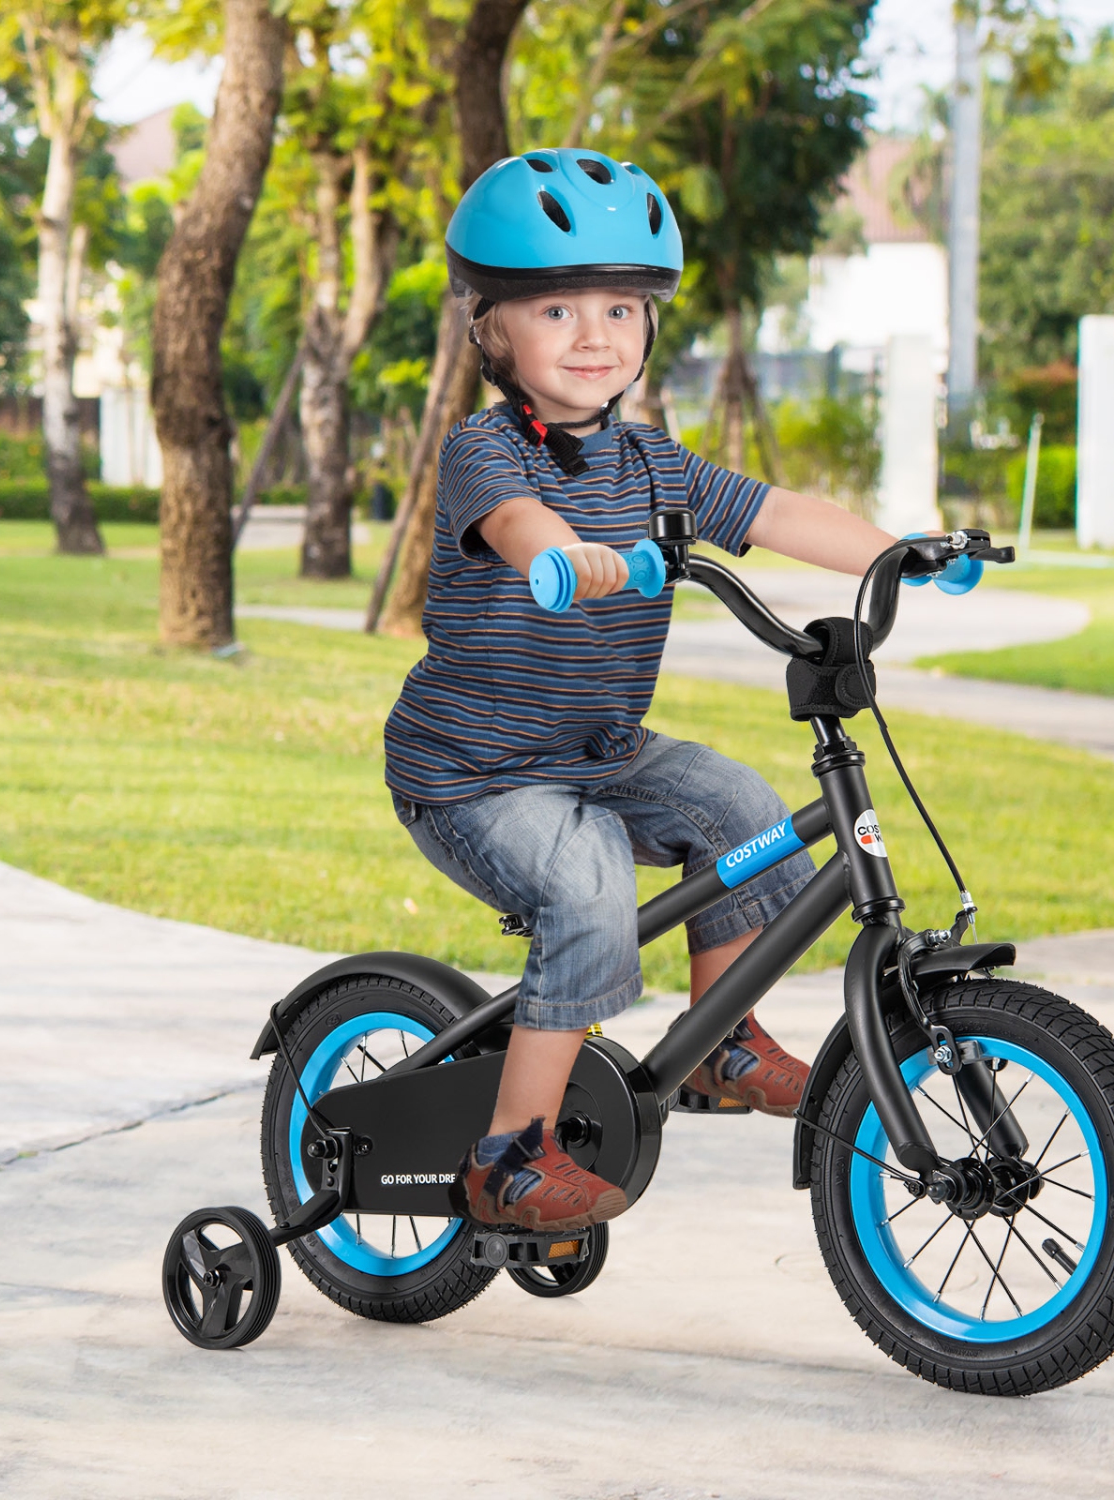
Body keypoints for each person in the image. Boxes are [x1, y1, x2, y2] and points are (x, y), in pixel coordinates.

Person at [385, 148, 901, 1234]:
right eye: (557, 310)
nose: (593, 335)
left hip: (600, 753)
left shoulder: (658, 464)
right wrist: (570, 556)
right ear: (492, 331)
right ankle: (507, 1156)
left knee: (746, 812)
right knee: (590, 888)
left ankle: (722, 1044)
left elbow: (777, 511)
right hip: (475, 774)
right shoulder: (486, 451)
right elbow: (524, 529)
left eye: (621, 308)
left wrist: (901, 553)